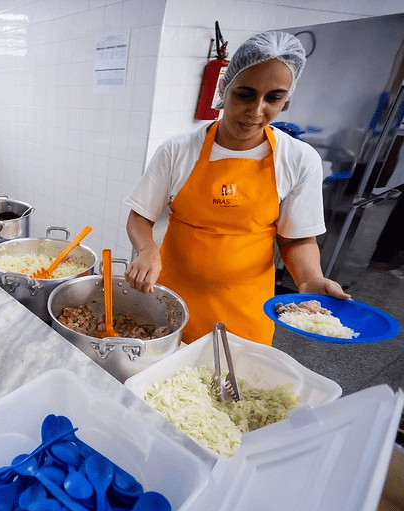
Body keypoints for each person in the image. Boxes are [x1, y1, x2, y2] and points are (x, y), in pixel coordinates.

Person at [124, 31, 349, 345]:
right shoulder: (179, 150)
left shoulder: (298, 159)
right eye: (245, 94)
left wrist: (310, 279)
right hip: (170, 303)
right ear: (224, 88)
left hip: (245, 312)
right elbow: (140, 216)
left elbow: (297, 239)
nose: (256, 110)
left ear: (286, 99)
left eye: (273, 98)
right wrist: (147, 251)